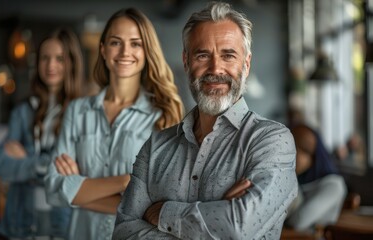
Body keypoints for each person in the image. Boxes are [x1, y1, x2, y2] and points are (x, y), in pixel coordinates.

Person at [113, 2, 298, 239]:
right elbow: (122, 232)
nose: (215, 68)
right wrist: (215, 216)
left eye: (228, 55)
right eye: (203, 55)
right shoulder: (156, 147)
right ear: (186, 61)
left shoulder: (272, 141)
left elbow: (239, 227)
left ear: (246, 64)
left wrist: (163, 214)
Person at [44, 8, 184, 240]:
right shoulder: (77, 111)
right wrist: (126, 181)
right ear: (103, 49)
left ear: (147, 50)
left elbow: (159, 204)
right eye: (116, 42)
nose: (125, 51)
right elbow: (53, 189)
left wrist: (80, 190)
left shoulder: (163, 116)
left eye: (135, 43)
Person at [0, 28, 84, 239]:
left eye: (59, 58)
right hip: (19, 223)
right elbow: (2, 165)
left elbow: (80, 172)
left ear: (71, 62)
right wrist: (45, 166)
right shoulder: (23, 111)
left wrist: (26, 162)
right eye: (45, 57)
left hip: (63, 224)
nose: (50, 65)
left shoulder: (83, 114)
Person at [285, 124, 347, 232]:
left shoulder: (334, 185)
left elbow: (297, 223)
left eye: (304, 151)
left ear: (315, 157)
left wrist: (290, 176)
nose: (295, 155)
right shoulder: (298, 179)